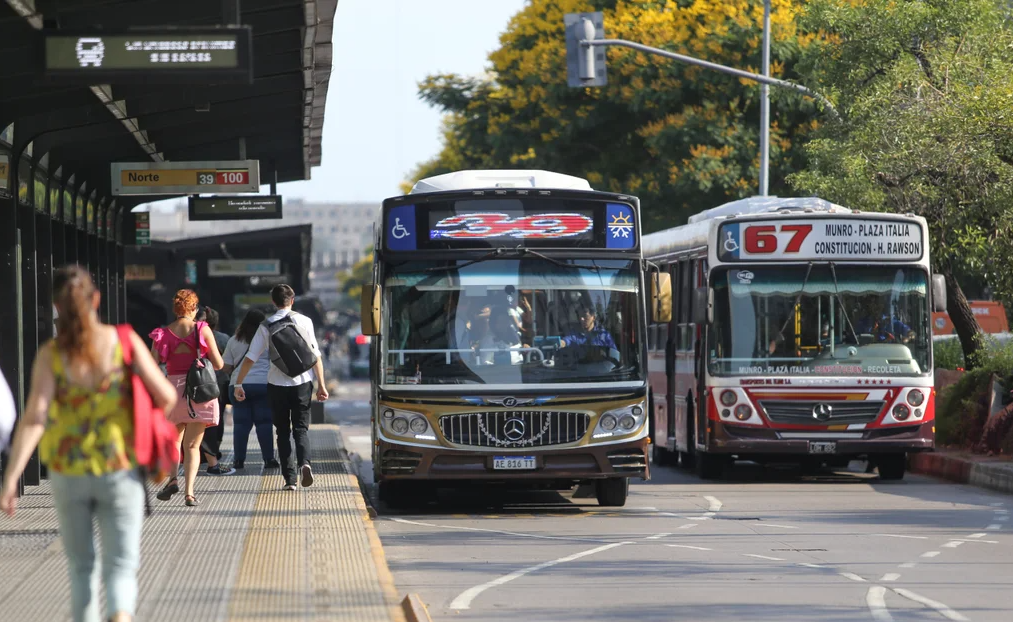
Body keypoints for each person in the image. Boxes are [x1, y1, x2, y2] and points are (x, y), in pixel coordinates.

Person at [1, 265, 176, 622]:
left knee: (81, 568)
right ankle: (120, 616)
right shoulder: (124, 341)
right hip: (120, 468)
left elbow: (34, 418)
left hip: (69, 471)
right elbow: (166, 396)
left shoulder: (51, 355)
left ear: (56, 307)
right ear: (95, 300)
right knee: (121, 565)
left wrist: (10, 479)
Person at [234, 285, 329, 490]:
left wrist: (239, 382)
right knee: (301, 429)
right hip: (302, 383)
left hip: (276, 384)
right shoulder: (305, 321)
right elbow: (315, 356)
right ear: (292, 300)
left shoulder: (266, 325)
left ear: (273, 302)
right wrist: (321, 385)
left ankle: (290, 480)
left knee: (283, 432)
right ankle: (305, 463)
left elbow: (251, 357)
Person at [149, 289, 225, 506]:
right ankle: (189, 493)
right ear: (193, 308)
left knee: (174, 441)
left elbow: (152, 365)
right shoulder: (202, 329)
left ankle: (173, 479)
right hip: (198, 390)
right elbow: (218, 364)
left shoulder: (162, 334)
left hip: (172, 390)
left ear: (175, 309)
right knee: (192, 446)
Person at [222, 309, 279, 470]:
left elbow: (226, 366)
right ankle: (269, 459)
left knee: (240, 423)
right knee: (264, 423)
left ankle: (238, 460)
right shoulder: (268, 340)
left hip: (238, 385)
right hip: (263, 385)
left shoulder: (234, 340)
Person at [196, 306, 234, 475]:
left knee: (197, 419)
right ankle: (213, 450)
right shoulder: (223, 338)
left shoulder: (191, 335)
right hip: (218, 382)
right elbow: (224, 362)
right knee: (215, 419)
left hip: (197, 382)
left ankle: (203, 453)